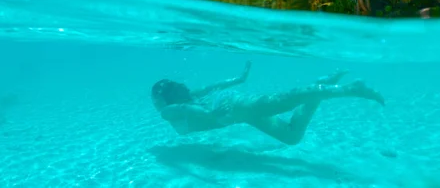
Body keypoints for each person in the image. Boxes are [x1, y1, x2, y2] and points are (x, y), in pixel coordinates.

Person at [151, 61, 384, 145]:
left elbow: (213, 90)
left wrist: (239, 79)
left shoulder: (185, 101)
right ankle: (321, 85)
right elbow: (185, 106)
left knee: (283, 103)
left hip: (234, 106)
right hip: (237, 114)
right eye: (176, 86)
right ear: (168, 96)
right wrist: (237, 80)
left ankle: (349, 89)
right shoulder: (169, 111)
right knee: (292, 136)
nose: (183, 85)